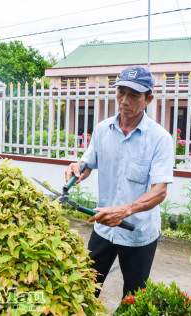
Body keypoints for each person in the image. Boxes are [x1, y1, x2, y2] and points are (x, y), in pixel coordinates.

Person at [64, 65, 174, 301]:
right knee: (83, 291)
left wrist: (125, 210)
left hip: (138, 233)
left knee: (133, 300)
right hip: (103, 228)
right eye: (121, 92)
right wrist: (79, 169)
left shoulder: (160, 139)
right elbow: (88, 163)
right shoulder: (103, 129)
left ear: (148, 99)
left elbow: (159, 191)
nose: (124, 100)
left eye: (133, 95)